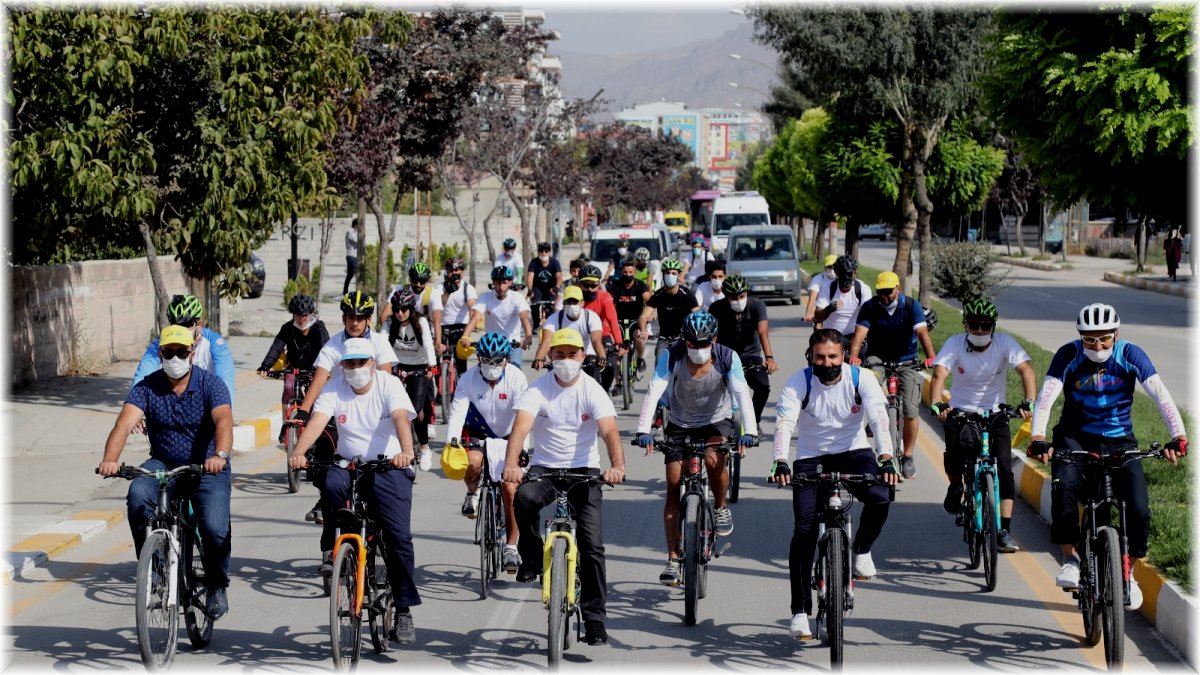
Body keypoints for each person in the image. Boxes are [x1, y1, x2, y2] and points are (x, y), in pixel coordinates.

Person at [1028, 303, 1186, 610]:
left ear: (1116, 335)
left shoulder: (1130, 355)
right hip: (1075, 435)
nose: (1097, 346)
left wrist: (1178, 435)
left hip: (1119, 439)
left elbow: (1160, 395)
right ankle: (1071, 559)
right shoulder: (1068, 355)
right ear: (1080, 338)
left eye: (1104, 339)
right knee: (1065, 488)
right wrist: (1037, 438)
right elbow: (1046, 396)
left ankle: (1130, 574)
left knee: (1139, 508)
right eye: (1089, 339)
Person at [287, 338, 423, 644]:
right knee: (331, 485)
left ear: (373, 363)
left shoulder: (389, 385)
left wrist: (405, 451)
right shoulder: (335, 388)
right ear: (342, 366)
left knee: (398, 536)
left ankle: (402, 609)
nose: (356, 369)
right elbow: (318, 422)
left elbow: (401, 418)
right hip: (349, 465)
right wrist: (298, 452)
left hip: (390, 466)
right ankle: (342, 545)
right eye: (350, 363)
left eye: (362, 362)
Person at [769, 328, 898, 639]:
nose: (826, 363)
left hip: (854, 452)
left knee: (882, 495)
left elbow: (879, 417)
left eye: (833, 357)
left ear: (844, 356)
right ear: (810, 358)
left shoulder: (861, 378)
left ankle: (862, 550)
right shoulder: (799, 382)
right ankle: (800, 611)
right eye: (820, 357)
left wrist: (886, 456)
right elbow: (785, 422)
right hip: (812, 457)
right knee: (804, 531)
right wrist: (780, 460)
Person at [100, 325, 234, 620]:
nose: (175, 358)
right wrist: (110, 460)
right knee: (137, 493)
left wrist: (219, 455)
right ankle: (155, 566)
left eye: (181, 352)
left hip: (206, 465)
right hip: (163, 463)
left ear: (192, 352)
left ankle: (216, 584)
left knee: (214, 528)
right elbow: (123, 424)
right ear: (160, 354)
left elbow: (224, 420)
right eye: (169, 352)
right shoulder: (147, 387)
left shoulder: (211, 385)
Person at [503, 328, 626, 646]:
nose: (566, 360)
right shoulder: (537, 390)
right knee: (523, 498)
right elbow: (520, 429)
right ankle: (530, 556)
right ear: (550, 358)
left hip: (584, 472)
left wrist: (617, 465)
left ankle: (595, 619)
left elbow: (609, 431)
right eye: (560, 354)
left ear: (582, 357)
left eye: (573, 354)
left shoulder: (592, 389)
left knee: (592, 547)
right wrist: (512, 464)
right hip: (545, 468)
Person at [634, 312, 759, 586]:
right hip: (680, 423)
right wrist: (643, 430)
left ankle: (721, 506)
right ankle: (672, 557)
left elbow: (741, 394)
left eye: (704, 343)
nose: (698, 349)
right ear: (684, 340)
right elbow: (655, 390)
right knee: (672, 482)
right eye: (692, 343)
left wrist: (749, 432)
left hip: (717, 421)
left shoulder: (728, 357)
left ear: (714, 340)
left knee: (715, 462)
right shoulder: (672, 355)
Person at [929, 298, 1037, 553]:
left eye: (985, 326)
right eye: (974, 325)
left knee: (1004, 471)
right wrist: (938, 404)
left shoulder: (1004, 343)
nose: (979, 331)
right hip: (962, 412)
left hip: (996, 414)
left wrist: (1029, 402)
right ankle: (956, 485)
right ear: (965, 324)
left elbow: (1026, 371)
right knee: (954, 456)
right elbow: (939, 374)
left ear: (993, 326)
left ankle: (1004, 531)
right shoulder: (955, 343)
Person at [444, 332, 529, 573]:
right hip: (477, 429)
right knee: (471, 463)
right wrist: (452, 441)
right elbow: (458, 412)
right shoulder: (468, 379)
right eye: (486, 361)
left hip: (509, 435)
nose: (491, 367)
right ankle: (473, 493)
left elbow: (524, 417)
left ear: (506, 360)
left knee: (510, 489)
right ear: (478, 359)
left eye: (497, 361)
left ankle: (511, 546)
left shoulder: (516, 378)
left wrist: (521, 450)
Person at [848, 271, 937, 480]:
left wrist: (931, 357)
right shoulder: (870, 307)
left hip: (907, 359)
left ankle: (907, 456)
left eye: (888, 292)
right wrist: (854, 357)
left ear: (898, 289)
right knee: (871, 381)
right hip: (878, 357)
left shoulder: (910, 306)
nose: (885, 296)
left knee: (911, 410)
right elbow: (859, 334)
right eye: (881, 292)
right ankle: (874, 416)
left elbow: (922, 333)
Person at [133, 293, 235, 406]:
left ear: (199, 324)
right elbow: (142, 375)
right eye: (176, 325)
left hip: (206, 405)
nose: (181, 330)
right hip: (170, 404)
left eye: (187, 324)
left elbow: (225, 380)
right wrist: (136, 405)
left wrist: (224, 409)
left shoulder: (215, 343)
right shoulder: (160, 343)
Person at [257, 293, 330, 448]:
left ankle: (318, 427)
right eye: (297, 315)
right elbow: (276, 347)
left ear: (311, 314)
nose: (301, 319)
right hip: (295, 368)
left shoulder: (318, 328)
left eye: (304, 315)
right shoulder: (287, 328)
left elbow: (327, 350)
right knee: (289, 387)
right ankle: (286, 425)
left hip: (315, 370)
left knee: (316, 397)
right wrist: (265, 366)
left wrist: (328, 370)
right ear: (292, 314)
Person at [708, 275, 778, 423]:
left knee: (763, 387)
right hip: (724, 355)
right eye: (733, 297)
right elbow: (710, 336)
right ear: (726, 296)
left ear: (747, 293)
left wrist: (770, 358)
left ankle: (753, 419)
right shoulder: (716, 308)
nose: (738, 301)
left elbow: (763, 332)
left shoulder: (757, 305)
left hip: (750, 356)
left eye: (742, 296)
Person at [385, 288, 437, 465]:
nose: (399, 314)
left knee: (416, 411)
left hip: (419, 368)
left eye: (403, 310)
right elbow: (381, 343)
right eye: (396, 310)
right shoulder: (390, 323)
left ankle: (424, 447)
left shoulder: (420, 322)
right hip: (398, 366)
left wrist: (432, 365)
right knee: (393, 408)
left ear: (411, 308)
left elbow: (429, 344)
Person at [462, 266, 533, 367]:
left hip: (512, 343)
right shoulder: (485, 297)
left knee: (516, 373)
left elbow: (524, 318)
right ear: (493, 283)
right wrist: (465, 336)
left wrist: (528, 337)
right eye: (497, 282)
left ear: (510, 282)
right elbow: (475, 318)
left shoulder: (517, 298)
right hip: (492, 344)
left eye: (504, 282)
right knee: (485, 374)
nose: (501, 287)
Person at [640, 258, 700, 363]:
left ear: (678, 275)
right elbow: (643, 316)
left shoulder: (687, 295)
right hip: (664, 340)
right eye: (667, 273)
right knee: (659, 373)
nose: (670, 275)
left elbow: (698, 316)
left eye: (673, 273)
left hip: (683, 340)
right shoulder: (658, 295)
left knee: (685, 372)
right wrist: (643, 329)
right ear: (663, 274)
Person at [532, 285, 606, 371]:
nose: (572, 305)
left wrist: (602, 357)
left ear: (582, 303)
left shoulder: (591, 317)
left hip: (587, 353)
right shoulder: (554, 319)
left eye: (575, 302)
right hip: (563, 355)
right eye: (569, 302)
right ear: (563, 303)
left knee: (593, 374)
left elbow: (596, 340)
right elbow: (547, 341)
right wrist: (539, 359)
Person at [578, 265, 624, 393]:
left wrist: (619, 342)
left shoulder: (605, 297)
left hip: (603, 335)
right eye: (586, 285)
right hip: (580, 337)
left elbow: (613, 321)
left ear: (599, 284)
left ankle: (603, 392)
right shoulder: (575, 298)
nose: (590, 289)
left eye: (594, 285)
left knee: (611, 365)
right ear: (579, 284)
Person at [812, 255, 871, 349]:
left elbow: (868, 315)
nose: (846, 278)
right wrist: (828, 309)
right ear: (836, 273)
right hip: (831, 339)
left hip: (854, 338)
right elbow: (818, 317)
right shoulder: (828, 288)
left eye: (849, 274)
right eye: (842, 274)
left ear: (855, 273)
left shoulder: (863, 289)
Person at [432, 258, 477, 378]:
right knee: (438, 360)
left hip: (460, 326)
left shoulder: (468, 288)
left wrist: (467, 334)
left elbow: (472, 310)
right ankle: (441, 390)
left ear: (462, 272)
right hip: (442, 326)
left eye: (457, 270)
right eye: (450, 270)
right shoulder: (439, 287)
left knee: (461, 363)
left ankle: (461, 384)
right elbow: (437, 305)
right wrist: (447, 292)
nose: (453, 273)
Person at [606, 258, 652, 373]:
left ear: (634, 273)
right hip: (618, 322)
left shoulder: (640, 285)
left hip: (635, 321)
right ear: (622, 272)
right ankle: (617, 383)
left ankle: (640, 358)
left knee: (639, 338)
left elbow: (650, 301)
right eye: (625, 272)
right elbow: (608, 299)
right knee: (614, 349)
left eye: (630, 272)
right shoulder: (616, 284)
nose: (628, 275)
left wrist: (650, 314)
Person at [380, 262, 435, 326]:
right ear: (410, 279)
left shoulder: (433, 293)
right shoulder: (399, 291)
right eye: (415, 280)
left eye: (422, 281)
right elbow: (384, 317)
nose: (418, 284)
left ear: (427, 281)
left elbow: (437, 321)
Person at [525, 241, 562, 332]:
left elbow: (559, 276)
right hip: (538, 288)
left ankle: (550, 324)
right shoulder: (534, 262)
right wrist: (530, 290)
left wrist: (556, 287)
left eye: (546, 251)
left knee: (551, 306)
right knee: (534, 304)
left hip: (551, 288)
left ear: (549, 252)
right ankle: (536, 325)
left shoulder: (554, 262)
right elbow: (530, 276)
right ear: (538, 252)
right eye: (541, 251)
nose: (543, 253)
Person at [803, 254, 839, 323]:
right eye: (829, 267)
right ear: (825, 268)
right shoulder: (818, 279)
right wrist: (808, 313)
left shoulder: (842, 279)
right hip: (821, 312)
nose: (832, 269)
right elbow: (812, 298)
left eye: (834, 267)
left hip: (837, 313)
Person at [344, 218, 358, 296]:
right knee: (351, 273)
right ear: (356, 225)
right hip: (351, 255)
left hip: (354, 255)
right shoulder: (350, 231)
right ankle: (345, 291)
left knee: (351, 274)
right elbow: (356, 240)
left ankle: (345, 291)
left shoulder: (355, 232)